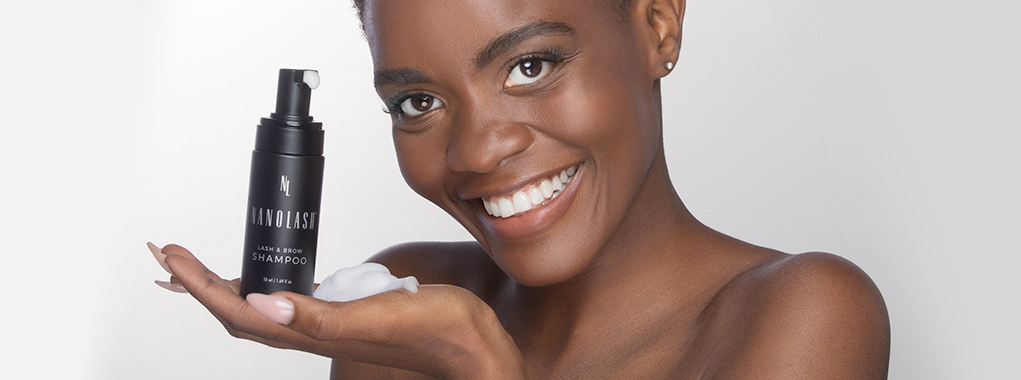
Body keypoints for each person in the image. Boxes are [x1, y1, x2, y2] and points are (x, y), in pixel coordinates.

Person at [151, 0, 891, 378]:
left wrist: (479, 363)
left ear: (657, 26)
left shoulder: (800, 312)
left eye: (529, 66)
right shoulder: (405, 308)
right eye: (416, 103)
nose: (477, 150)